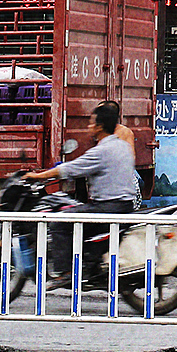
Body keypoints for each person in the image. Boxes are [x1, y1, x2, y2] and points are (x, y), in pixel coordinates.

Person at [25, 101, 140, 284]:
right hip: (125, 205)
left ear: (100, 127)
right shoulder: (123, 147)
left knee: (59, 221)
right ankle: (88, 260)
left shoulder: (101, 151)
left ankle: (64, 272)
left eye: (91, 123)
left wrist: (38, 176)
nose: (89, 126)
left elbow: (70, 168)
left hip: (107, 207)